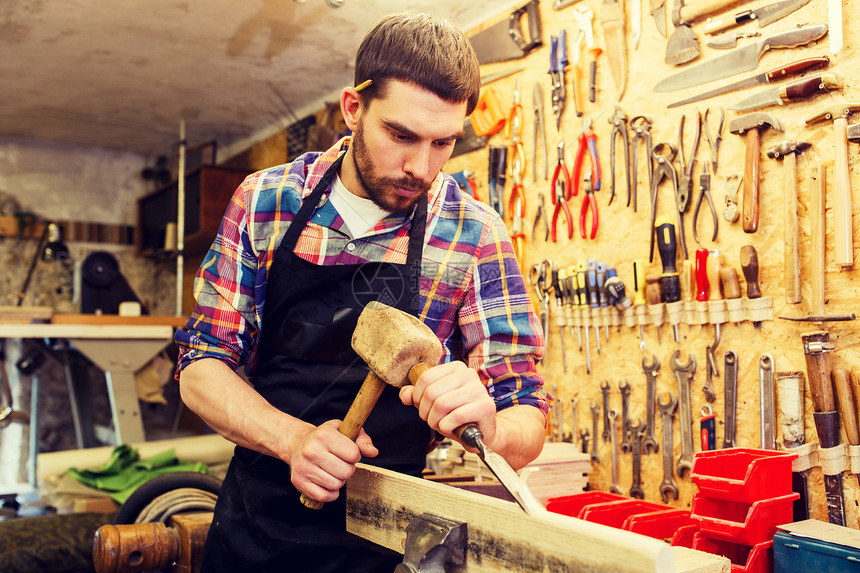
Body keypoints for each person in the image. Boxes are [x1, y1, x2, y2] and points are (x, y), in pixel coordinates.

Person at [175, 12, 548, 573]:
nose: (420, 167)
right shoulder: (267, 201)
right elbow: (201, 367)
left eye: (443, 143)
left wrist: (492, 426)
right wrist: (292, 440)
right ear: (354, 109)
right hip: (257, 529)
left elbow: (529, 418)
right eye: (401, 135)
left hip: (388, 544)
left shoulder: (474, 234)